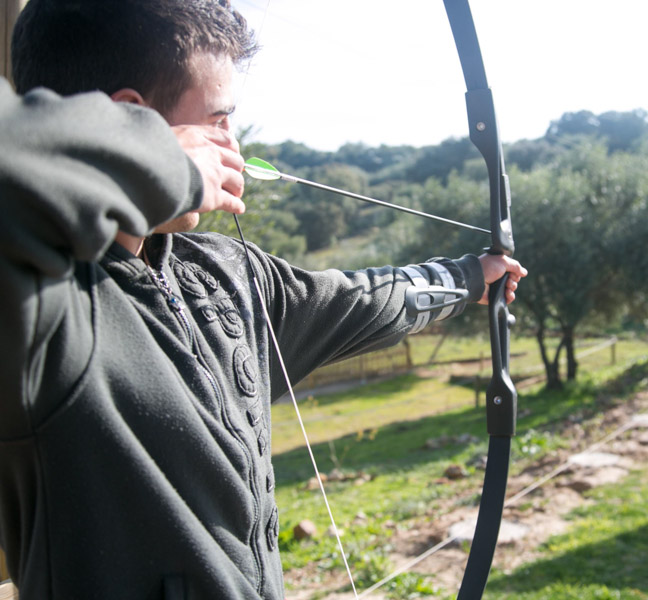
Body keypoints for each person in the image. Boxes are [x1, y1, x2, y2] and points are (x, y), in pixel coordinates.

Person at [0, 1, 527, 598]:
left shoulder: (222, 273)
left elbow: (365, 300)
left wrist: (470, 277)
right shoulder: (42, 307)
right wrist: (164, 164)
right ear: (135, 123)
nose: (235, 144)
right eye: (220, 119)